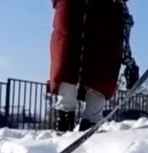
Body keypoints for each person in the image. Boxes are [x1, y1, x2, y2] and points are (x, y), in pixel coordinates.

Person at [48, 0, 139, 132]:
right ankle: (69, 121)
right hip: (78, 14)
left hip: (105, 17)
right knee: (67, 68)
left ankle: (89, 123)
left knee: (100, 75)